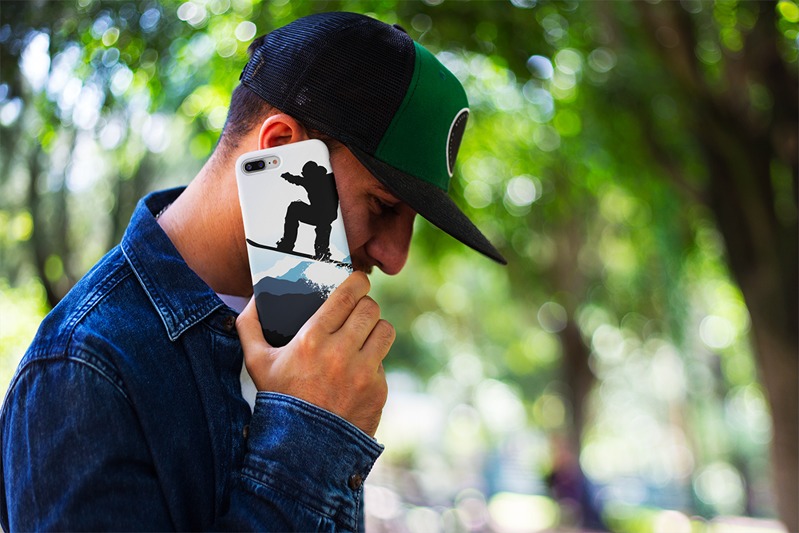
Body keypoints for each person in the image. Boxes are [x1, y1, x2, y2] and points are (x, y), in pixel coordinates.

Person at [0, 11, 506, 531]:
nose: (395, 258)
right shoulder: (82, 369)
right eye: (382, 205)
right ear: (282, 147)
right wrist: (309, 432)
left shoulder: (305, 335)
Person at [275, 161, 339, 260]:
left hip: (321, 214)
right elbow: (296, 179)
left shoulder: (312, 180)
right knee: (323, 225)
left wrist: (287, 176)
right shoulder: (328, 178)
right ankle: (322, 250)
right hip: (325, 214)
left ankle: (288, 243)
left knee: (294, 208)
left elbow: (297, 180)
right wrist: (287, 176)